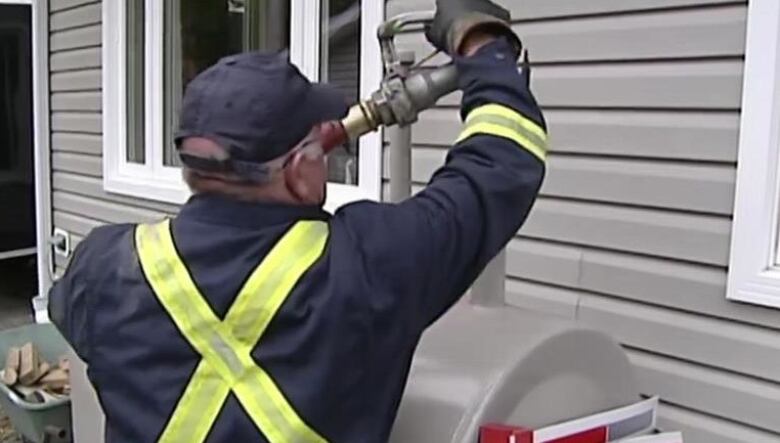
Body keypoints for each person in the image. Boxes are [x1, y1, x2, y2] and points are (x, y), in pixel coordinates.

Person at [47, 0, 547, 441]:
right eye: (320, 144)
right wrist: (483, 46)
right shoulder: (372, 263)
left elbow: (71, 313)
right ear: (299, 171)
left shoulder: (102, 267)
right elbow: (500, 163)